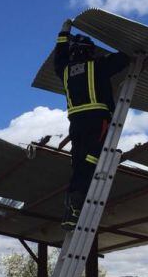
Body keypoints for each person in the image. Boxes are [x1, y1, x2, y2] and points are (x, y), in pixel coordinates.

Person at [54, 19, 130, 229]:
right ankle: (77, 203)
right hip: (97, 121)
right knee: (90, 162)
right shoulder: (98, 66)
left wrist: (63, 34)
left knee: (79, 163)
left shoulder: (65, 71)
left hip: (75, 125)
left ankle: (71, 209)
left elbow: (58, 57)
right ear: (90, 52)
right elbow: (125, 58)